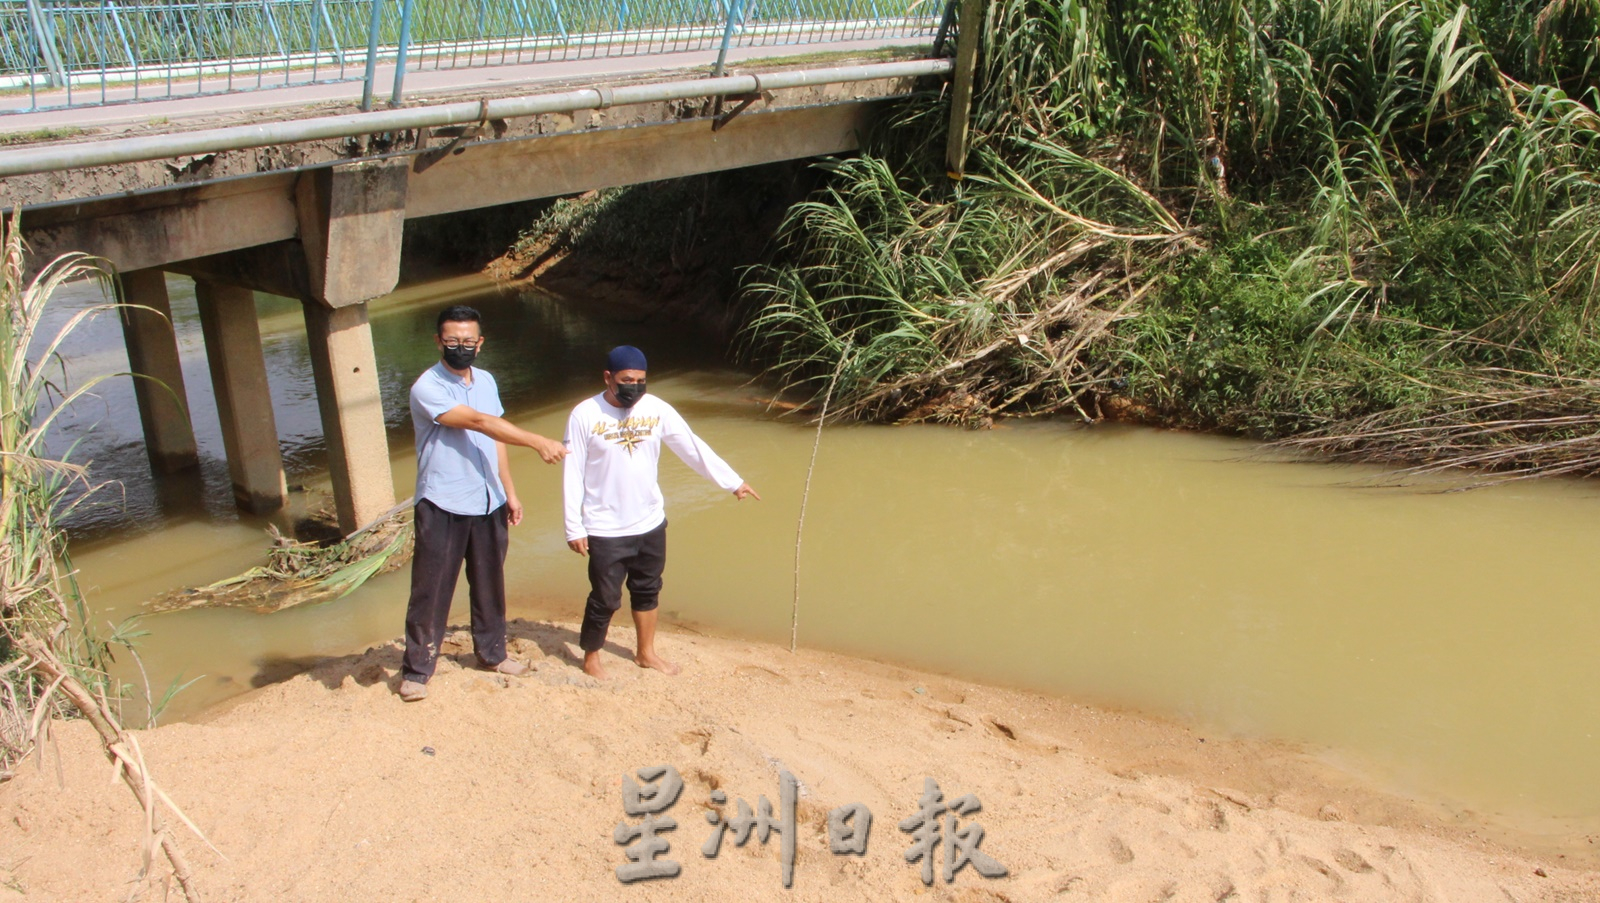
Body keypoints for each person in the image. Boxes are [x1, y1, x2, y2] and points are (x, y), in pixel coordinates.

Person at [398, 305, 568, 702]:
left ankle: (492, 654)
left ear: (481, 343)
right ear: (439, 341)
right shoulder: (427, 386)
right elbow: (478, 422)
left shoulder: (487, 380)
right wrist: (539, 441)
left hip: (487, 498)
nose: (461, 347)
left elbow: (494, 439)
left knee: (490, 583)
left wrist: (508, 490)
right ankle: (417, 670)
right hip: (443, 500)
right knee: (431, 589)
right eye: (453, 341)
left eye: (468, 341)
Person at [563, 345, 759, 679]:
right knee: (606, 597)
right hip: (605, 525)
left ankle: (645, 653)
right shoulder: (584, 414)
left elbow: (691, 445)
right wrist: (573, 527)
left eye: (641, 381)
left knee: (648, 588)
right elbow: (572, 470)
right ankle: (592, 656)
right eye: (627, 380)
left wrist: (732, 482)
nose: (634, 388)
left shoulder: (656, 409)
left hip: (650, 520)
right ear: (608, 377)